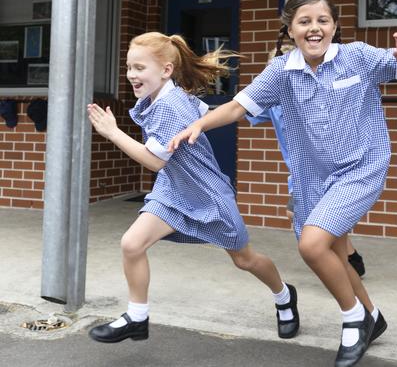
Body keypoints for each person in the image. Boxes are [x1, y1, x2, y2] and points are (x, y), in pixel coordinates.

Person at [169, 0, 397, 367]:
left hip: (360, 168)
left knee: (311, 245)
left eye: (323, 20)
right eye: (304, 21)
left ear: (334, 26)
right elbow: (238, 106)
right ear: (290, 29)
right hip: (312, 178)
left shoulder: (358, 56)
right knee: (334, 253)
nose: (314, 28)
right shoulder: (281, 71)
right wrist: (198, 125)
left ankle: (353, 319)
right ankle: (372, 316)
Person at [86, 32, 299, 344]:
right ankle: (137, 317)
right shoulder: (165, 97)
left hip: (207, 194)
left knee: (244, 259)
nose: (132, 74)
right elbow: (201, 113)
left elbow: (155, 162)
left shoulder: (168, 104)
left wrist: (113, 133)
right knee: (132, 244)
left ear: (166, 70)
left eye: (140, 68)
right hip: (173, 191)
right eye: (129, 67)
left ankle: (283, 296)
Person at [246, 44, 367, 278]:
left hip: (325, 168)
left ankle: (346, 262)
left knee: (306, 216)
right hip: (300, 172)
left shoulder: (312, 95)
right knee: (312, 216)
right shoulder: (273, 101)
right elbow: (242, 109)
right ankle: (349, 258)